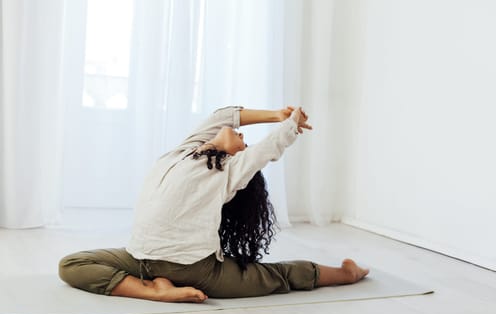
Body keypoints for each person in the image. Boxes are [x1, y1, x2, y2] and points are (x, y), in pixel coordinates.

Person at [59, 106, 369, 303]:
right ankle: (153, 290)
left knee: (275, 276)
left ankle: (346, 274)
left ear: (238, 158)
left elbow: (268, 149)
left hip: (195, 268)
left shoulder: (225, 172)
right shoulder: (185, 151)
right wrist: (275, 114)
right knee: (70, 265)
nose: (243, 138)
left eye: (244, 145)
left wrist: (289, 124)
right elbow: (222, 117)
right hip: (143, 257)